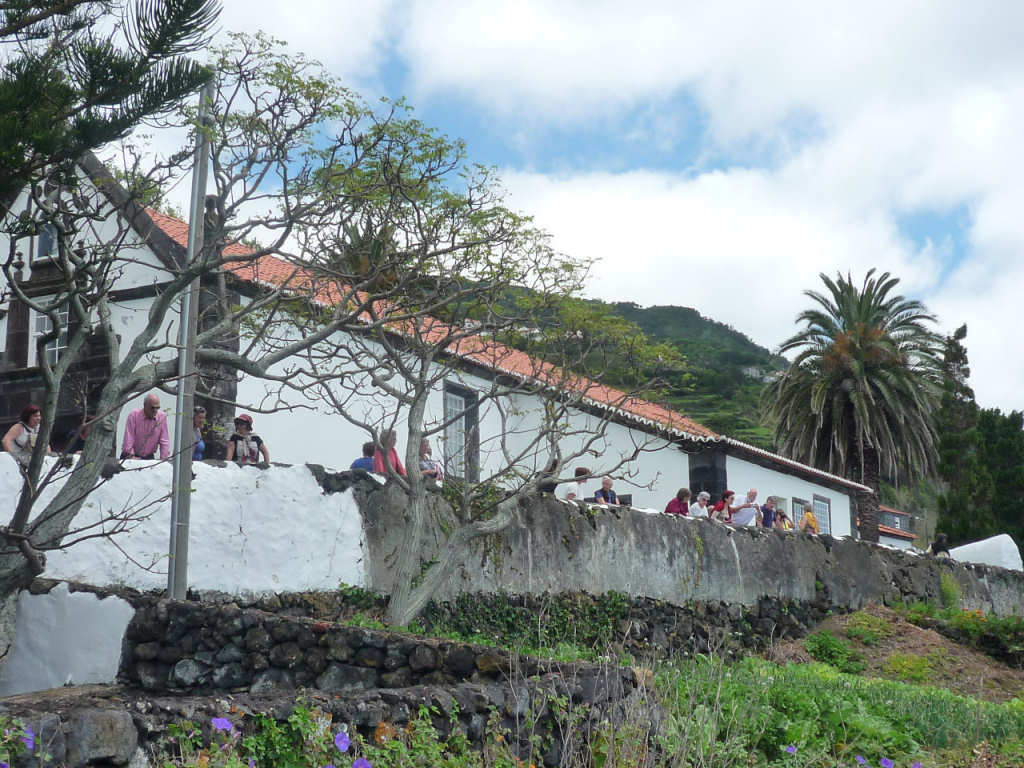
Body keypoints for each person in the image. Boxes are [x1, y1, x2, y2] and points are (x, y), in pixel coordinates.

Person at [121, 393, 171, 460]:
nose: (155, 411)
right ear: (145, 405)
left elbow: (164, 440)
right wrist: (131, 456)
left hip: (148, 457)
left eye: (157, 408)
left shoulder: (161, 417)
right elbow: (129, 438)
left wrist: (164, 459)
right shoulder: (134, 415)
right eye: (152, 408)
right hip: (129, 455)